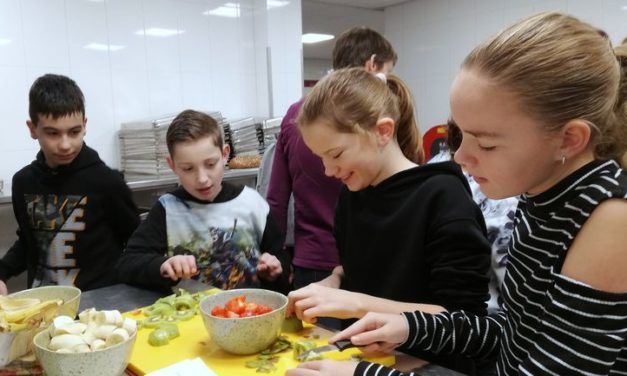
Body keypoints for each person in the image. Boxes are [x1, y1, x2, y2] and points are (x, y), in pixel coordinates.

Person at [288, 11, 627, 376]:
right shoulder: (542, 194)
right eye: (460, 135)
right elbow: (510, 333)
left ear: (568, 139)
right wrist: (412, 326)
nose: (462, 158)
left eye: (485, 143)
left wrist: (365, 373)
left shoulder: (610, 218)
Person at [287, 68, 491, 374]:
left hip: (430, 366)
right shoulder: (353, 194)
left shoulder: (442, 197)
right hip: (363, 362)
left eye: (337, 153)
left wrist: (354, 302)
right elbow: (360, 265)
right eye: (321, 158)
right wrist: (334, 280)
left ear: (383, 131)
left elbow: (463, 318)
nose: (329, 170)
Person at [266, 27, 399, 291]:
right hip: (365, 258)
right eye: (388, 72)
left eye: (336, 154)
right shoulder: (369, 124)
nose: (329, 170)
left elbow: (276, 198)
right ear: (372, 64)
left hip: (313, 257)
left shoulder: (297, 114)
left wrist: (277, 254)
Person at [116, 110, 290, 293]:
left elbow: (281, 258)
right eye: (188, 168)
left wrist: (275, 270)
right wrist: (163, 265)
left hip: (249, 312)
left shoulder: (252, 203)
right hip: (190, 317)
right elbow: (127, 264)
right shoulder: (168, 209)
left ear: (225, 154)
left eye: (210, 165)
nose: (202, 179)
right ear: (172, 166)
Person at [0, 74, 140, 294]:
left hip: (97, 308)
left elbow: (137, 244)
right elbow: (30, 242)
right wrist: (2, 272)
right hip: (43, 305)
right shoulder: (23, 183)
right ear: (32, 129)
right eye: (53, 133)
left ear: (84, 125)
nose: (65, 144)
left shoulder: (107, 181)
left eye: (74, 132)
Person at [429, 120, 518, 314]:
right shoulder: (500, 195)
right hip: (486, 322)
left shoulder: (429, 171)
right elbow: (514, 292)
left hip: (428, 324)